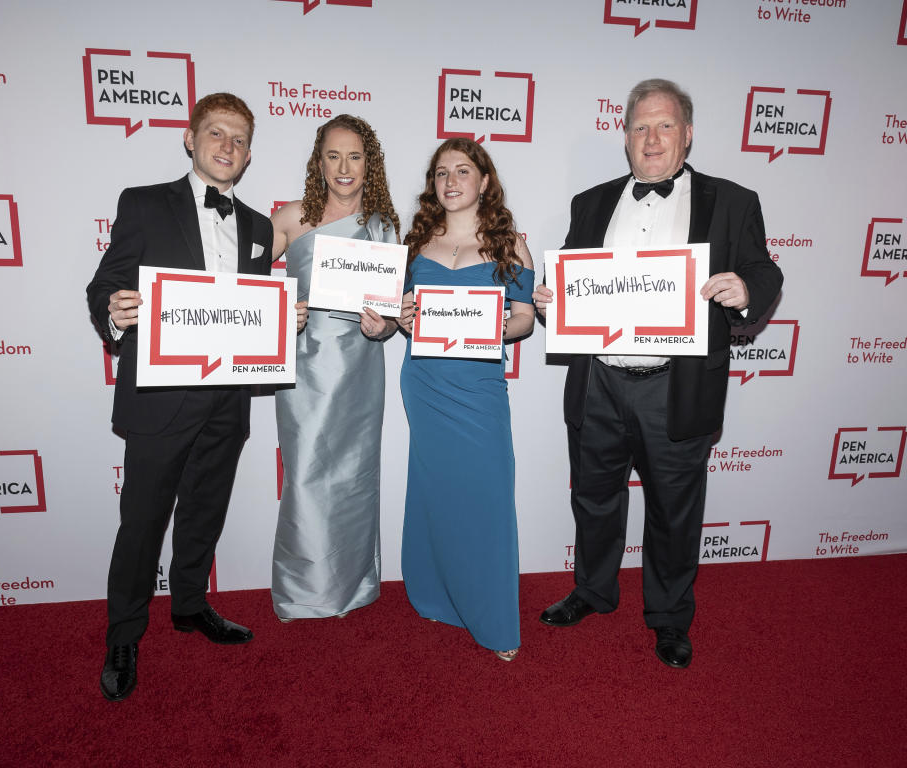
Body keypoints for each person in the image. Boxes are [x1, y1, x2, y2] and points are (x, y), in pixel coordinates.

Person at [534, 79, 783, 668]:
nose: (651, 138)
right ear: (624, 137)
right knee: (594, 498)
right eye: (640, 126)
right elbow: (580, 286)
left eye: (665, 125)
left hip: (676, 385)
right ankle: (593, 591)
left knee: (674, 509)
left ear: (687, 134)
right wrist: (556, 302)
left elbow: (763, 269)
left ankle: (670, 618)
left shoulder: (732, 200)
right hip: (599, 382)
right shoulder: (590, 203)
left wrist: (747, 289)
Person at [88, 93, 306, 701]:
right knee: (142, 523)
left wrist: (285, 320)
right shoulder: (144, 203)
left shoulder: (262, 228)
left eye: (238, 139)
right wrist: (114, 311)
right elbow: (106, 283)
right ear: (190, 138)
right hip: (160, 398)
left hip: (227, 400)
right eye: (215, 134)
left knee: (205, 509)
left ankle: (189, 605)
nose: (226, 147)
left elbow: (253, 310)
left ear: (249, 153)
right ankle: (124, 634)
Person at [398, 138, 534, 661]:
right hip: (425, 385)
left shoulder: (508, 244)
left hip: (478, 390)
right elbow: (393, 316)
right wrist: (400, 319)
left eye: (461, 171)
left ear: (483, 180)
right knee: (435, 492)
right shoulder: (414, 244)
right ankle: (437, 595)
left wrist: (505, 324)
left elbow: (523, 317)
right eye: (440, 174)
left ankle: (495, 620)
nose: (450, 182)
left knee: (488, 499)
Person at [269, 114, 401, 621]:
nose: (343, 167)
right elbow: (245, 293)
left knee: (354, 478)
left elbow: (390, 319)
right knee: (304, 476)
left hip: (361, 369)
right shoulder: (289, 218)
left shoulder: (384, 225)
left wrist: (382, 329)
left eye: (355, 156)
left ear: (370, 163)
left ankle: (353, 585)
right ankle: (304, 590)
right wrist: (283, 315)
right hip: (305, 370)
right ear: (318, 160)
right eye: (333, 155)